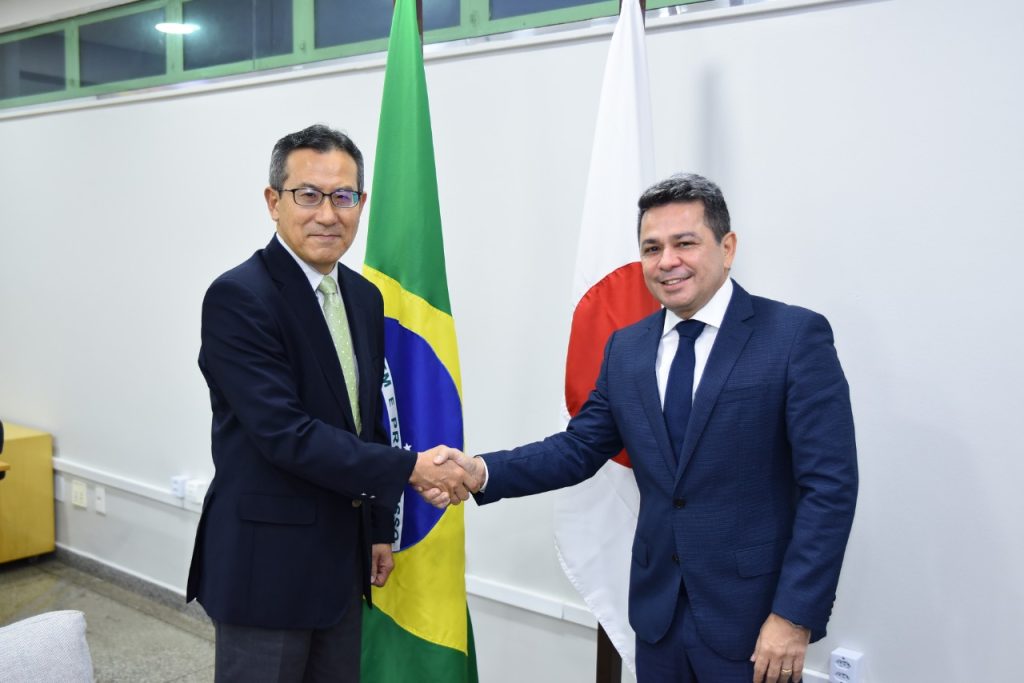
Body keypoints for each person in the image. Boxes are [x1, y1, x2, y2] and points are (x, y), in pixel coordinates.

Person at [443, 173, 858, 683]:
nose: (667, 261)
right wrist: (480, 471)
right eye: (652, 248)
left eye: (685, 243)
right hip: (657, 617)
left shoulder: (793, 337)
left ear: (727, 248)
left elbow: (830, 487)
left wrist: (793, 615)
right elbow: (579, 447)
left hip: (753, 622)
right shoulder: (627, 348)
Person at [186, 124, 472, 682]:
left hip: (343, 563)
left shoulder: (363, 297)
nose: (327, 214)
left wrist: (377, 529)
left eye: (343, 196)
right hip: (266, 570)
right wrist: (412, 468)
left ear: (361, 203)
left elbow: (365, 422)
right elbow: (286, 435)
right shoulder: (238, 297)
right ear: (274, 202)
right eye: (308, 195)